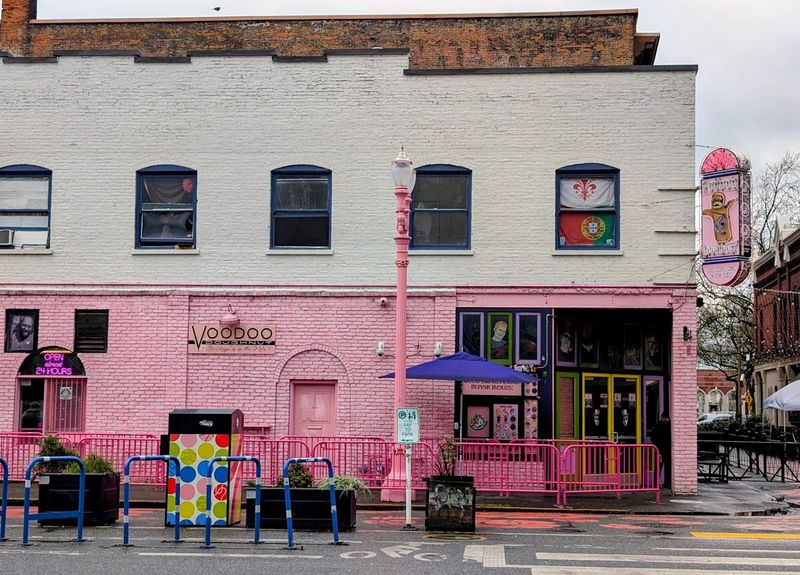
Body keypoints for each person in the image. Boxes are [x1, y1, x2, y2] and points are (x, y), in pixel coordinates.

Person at [650, 412, 671, 489]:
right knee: (666, 466)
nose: (666, 420)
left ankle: (656, 483)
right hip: (665, 449)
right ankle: (667, 483)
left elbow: (652, 437)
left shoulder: (659, 425)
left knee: (660, 466)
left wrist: (657, 445)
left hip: (661, 449)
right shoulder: (669, 425)